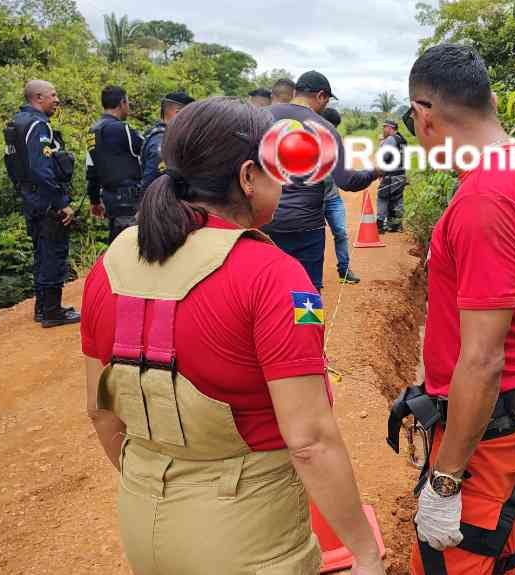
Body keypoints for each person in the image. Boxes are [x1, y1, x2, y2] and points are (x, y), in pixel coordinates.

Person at [80, 97, 385, 575]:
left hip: (144, 524)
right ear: (247, 177)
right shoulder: (275, 277)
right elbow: (309, 441)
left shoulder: (112, 262)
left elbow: (101, 412)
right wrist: (366, 554)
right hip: (250, 540)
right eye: (274, 168)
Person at [386, 43, 515, 575]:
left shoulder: (486, 199)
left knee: (459, 560)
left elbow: (483, 360)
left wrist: (444, 481)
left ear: (425, 115)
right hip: (510, 415)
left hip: (484, 434)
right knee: (500, 553)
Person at [263, 70, 379, 290]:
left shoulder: (258, 117)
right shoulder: (324, 129)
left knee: (268, 290)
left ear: (296, 91)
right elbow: (347, 181)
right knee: (307, 295)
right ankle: (306, 324)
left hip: (263, 222)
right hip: (306, 227)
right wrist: (374, 172)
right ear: (322, 96)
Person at [3, 79, 80, 327]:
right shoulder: (38, 125)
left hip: (31, 199)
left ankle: (42, 309)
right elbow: (41, 168)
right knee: (53, 254)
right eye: (53, 95)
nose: (57, 100)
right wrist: (61, 201)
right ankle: (51, 312)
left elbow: (15, 168)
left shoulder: (17, 124)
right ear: (38, 98)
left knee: (41, 253)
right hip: (46, 201)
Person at [87, 85, 145, 244]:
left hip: (110, 198)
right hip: (128, 198)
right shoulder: (121, 128)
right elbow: (145, 150)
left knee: (116, 244)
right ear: (122, 103)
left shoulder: (93, 131)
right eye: (128, 103)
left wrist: (95, 201)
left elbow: (91, 169)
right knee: (132, 246)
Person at [319, 107, 360, 284]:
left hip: (333, 197)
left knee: (341, 233)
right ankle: (313, 275)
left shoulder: (336, 143)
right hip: (315, 200)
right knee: (316, 238)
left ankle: (344, 270)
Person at [139, 91, 195, 192]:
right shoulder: (163, 142)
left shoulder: (160, 134)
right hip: (160, 205)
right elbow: (151, 185)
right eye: (190, 115)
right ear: (178, 113)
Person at [376, 119, 407, 233]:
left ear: (391, 128)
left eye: (385, 127)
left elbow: (384, 156)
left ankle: (380, 224)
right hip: (401, 174)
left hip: (391, 174)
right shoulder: (402, 140)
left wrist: (380, 171)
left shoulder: (390, 140)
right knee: (397, 199)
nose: (384, 129)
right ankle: (395, 225)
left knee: (382, 197)